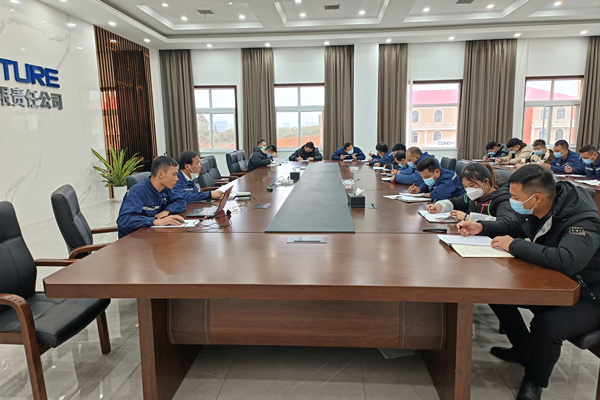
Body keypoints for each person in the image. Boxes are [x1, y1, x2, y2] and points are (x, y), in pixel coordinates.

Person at [457, 164, 600, 400]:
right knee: (498, 294)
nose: (511, 201)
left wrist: (514, 245)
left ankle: (534, 381)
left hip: (590, 296)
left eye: (515, 197)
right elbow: (515, 226)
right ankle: (523, 350)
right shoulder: (543, 206)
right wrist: (482, 227)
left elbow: (567, 260)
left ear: (537, 198)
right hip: (557, 284)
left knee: (547, 325)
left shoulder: (583, 220)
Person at [117, 156, 186, 238]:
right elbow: (124, 220)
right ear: (161, 174)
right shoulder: (138, 191)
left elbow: (181, 201)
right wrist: (154, 221)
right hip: (134, 240)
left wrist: (167, 210)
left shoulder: (165, 189)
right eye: (174, 175)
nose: (177, 179)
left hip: (154, 235)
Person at [426, 163, 515, 222]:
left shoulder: (503, 198)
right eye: (465, 186)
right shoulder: (474, 195)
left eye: (472, 185)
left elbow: (505, 222)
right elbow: (455, 202)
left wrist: (469, 218)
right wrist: (440, 206)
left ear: (486, 181)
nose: (469, 189)